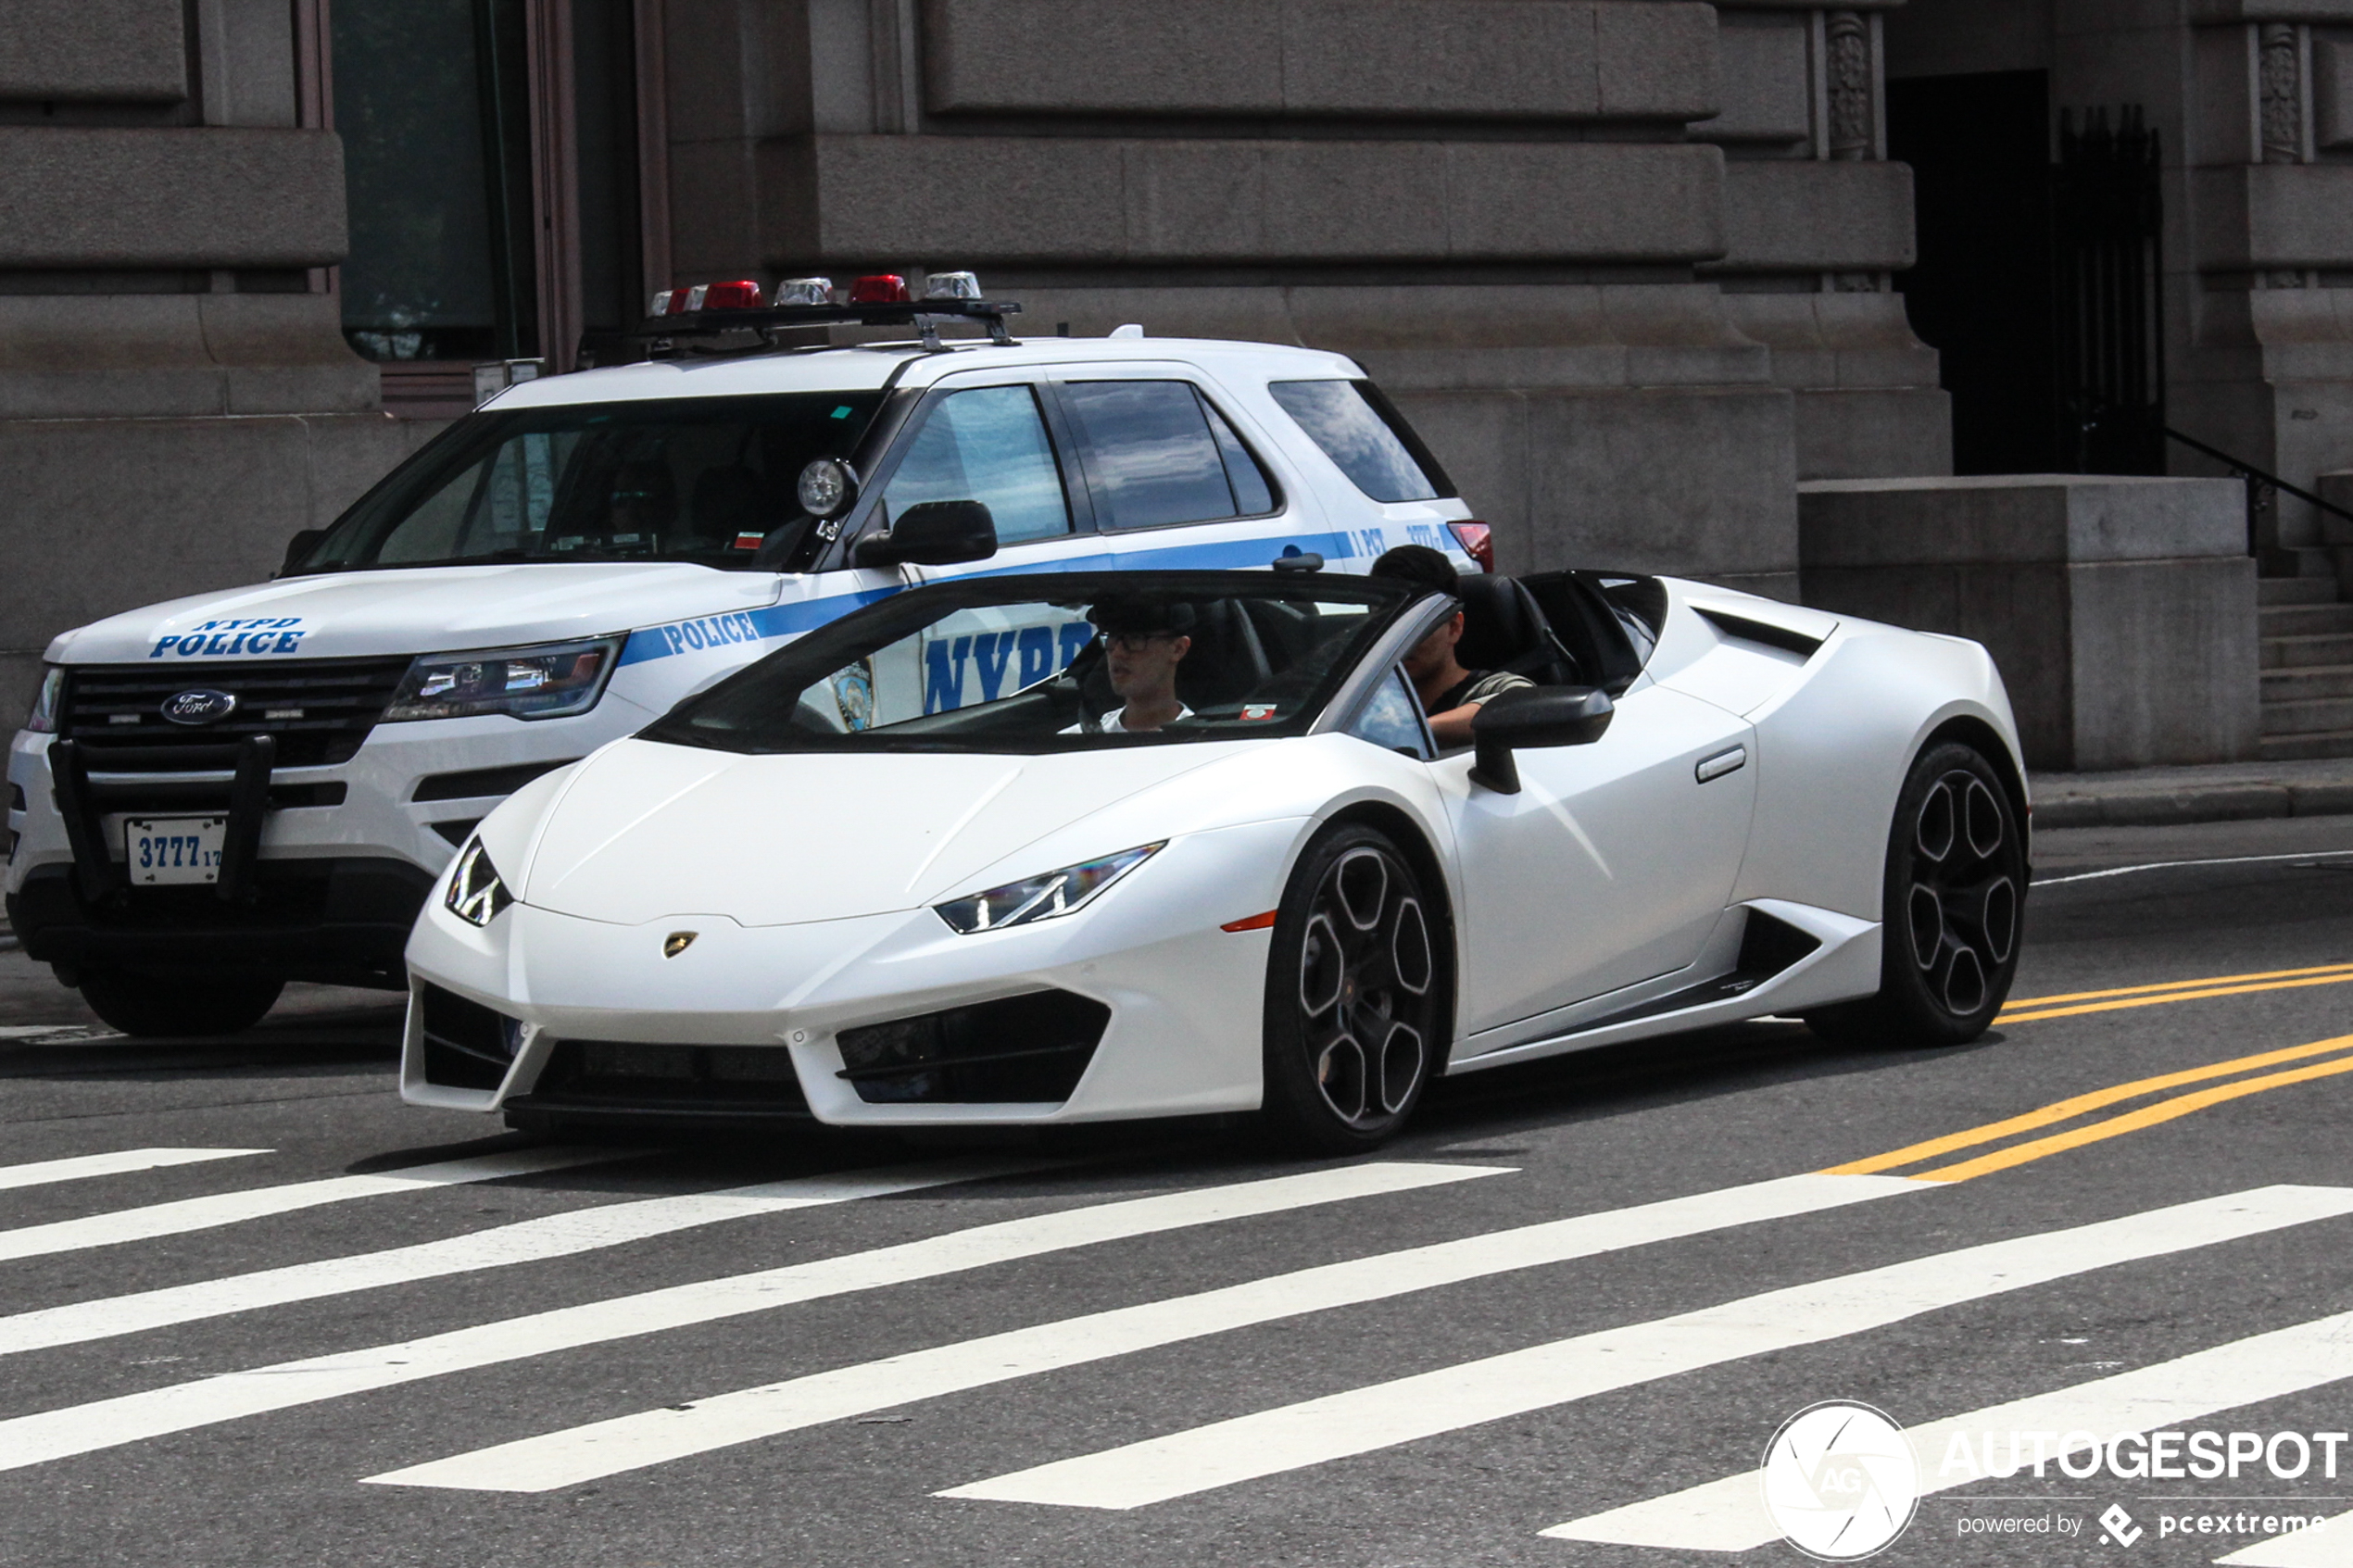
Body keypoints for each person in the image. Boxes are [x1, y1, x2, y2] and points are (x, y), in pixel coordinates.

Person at [1369, 544, 1532, 748]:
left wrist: (1416, 730)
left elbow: (1522, 707)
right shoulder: (1362, 695)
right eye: (1387, 625)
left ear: (1454, 627)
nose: (1400, 640)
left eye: (1416, 628)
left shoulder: (1490, 688)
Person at [1082, 596, 1195, 734]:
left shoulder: (1211, 740)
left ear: (1178, 649)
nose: (1117, 652)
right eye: (1112, 637)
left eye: (1135, 638)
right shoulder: (1072, 743)